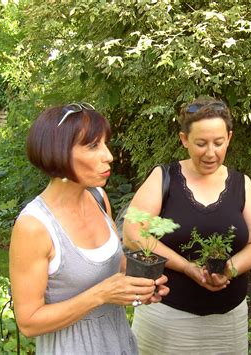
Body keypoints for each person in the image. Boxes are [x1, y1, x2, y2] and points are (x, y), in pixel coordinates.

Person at [9, 103, 169, 354]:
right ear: (57, 152)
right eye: (93, 145)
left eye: (105, 143)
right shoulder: (34, 226)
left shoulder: (98, 198)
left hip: (118, 343)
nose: (109, 156)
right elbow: (28, 322)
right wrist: (101, 295)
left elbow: (111, 268)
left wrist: (140, 287)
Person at [123, 97, 251, 354]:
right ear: (184, 139)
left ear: (230, 138)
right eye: (201, 143)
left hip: (228, 323)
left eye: (219, 143)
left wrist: (230, 269)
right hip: (166, 319)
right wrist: (188, 268)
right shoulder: (165, 178)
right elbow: (133, 233)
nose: (210, 153)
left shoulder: (241, 184)